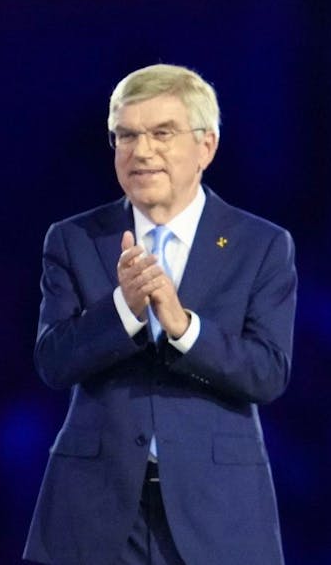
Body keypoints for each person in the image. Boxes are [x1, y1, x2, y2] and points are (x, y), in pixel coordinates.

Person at [24, 64, 297, 564]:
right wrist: (123, 311)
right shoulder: (74, 239)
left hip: (216, 511)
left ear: (206, 146)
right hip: (94, 509)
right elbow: (52, 361)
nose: (141, 151)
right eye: (126, 136)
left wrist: (184, 327)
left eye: (162, 133)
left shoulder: (260, 245)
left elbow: (268, 372)